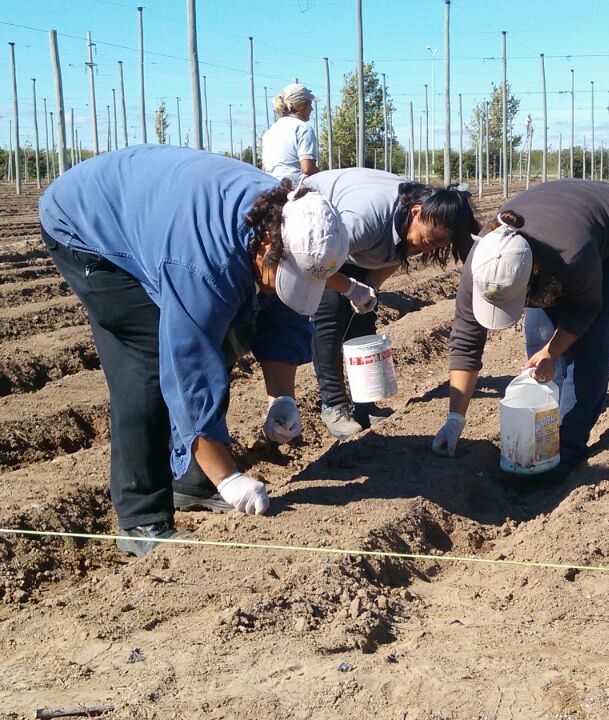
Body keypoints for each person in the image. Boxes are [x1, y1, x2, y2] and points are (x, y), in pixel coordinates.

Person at [40, 144, 352, 557]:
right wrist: (228, 478)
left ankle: (192, 480)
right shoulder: (205, 264)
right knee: (149, 359)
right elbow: (189, 366)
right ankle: (142, 519)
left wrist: (282, 397)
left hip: (158, 212)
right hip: (86, 223)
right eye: (284, 274)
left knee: (233, 325)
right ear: (265, 247)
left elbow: (285, 311)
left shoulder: (290, 222)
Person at [432, 179, 609, 482]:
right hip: (559, 221)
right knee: (538, 336)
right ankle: (545, 432)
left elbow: (586, 309)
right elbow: (466, 341)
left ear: (533, 274)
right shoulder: (485, 261)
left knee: (588, 345)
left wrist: (553, 351)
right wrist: (455, 418)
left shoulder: (572, 255)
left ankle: (568, 449)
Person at [302, 168, 481, 438]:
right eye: (430, 240)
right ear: (416, 212)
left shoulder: (419, 221)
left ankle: (365, 405)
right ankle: (334, 406)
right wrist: (350, 287)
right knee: (330, 314)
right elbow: (313, 263)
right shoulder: (363, 223)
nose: (430, 248)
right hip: (318, 238)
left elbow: (395, 254)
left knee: (364, 317)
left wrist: (369, 288)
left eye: (440, 244)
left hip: (353, 248)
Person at [262, 83, 320, 183]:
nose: (311, 109)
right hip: (294, 186)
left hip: (271, 187)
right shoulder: (303, 128)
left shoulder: (270, 131)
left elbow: (264, 167)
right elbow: (307, 169)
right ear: (301, 106)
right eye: (310, 104)